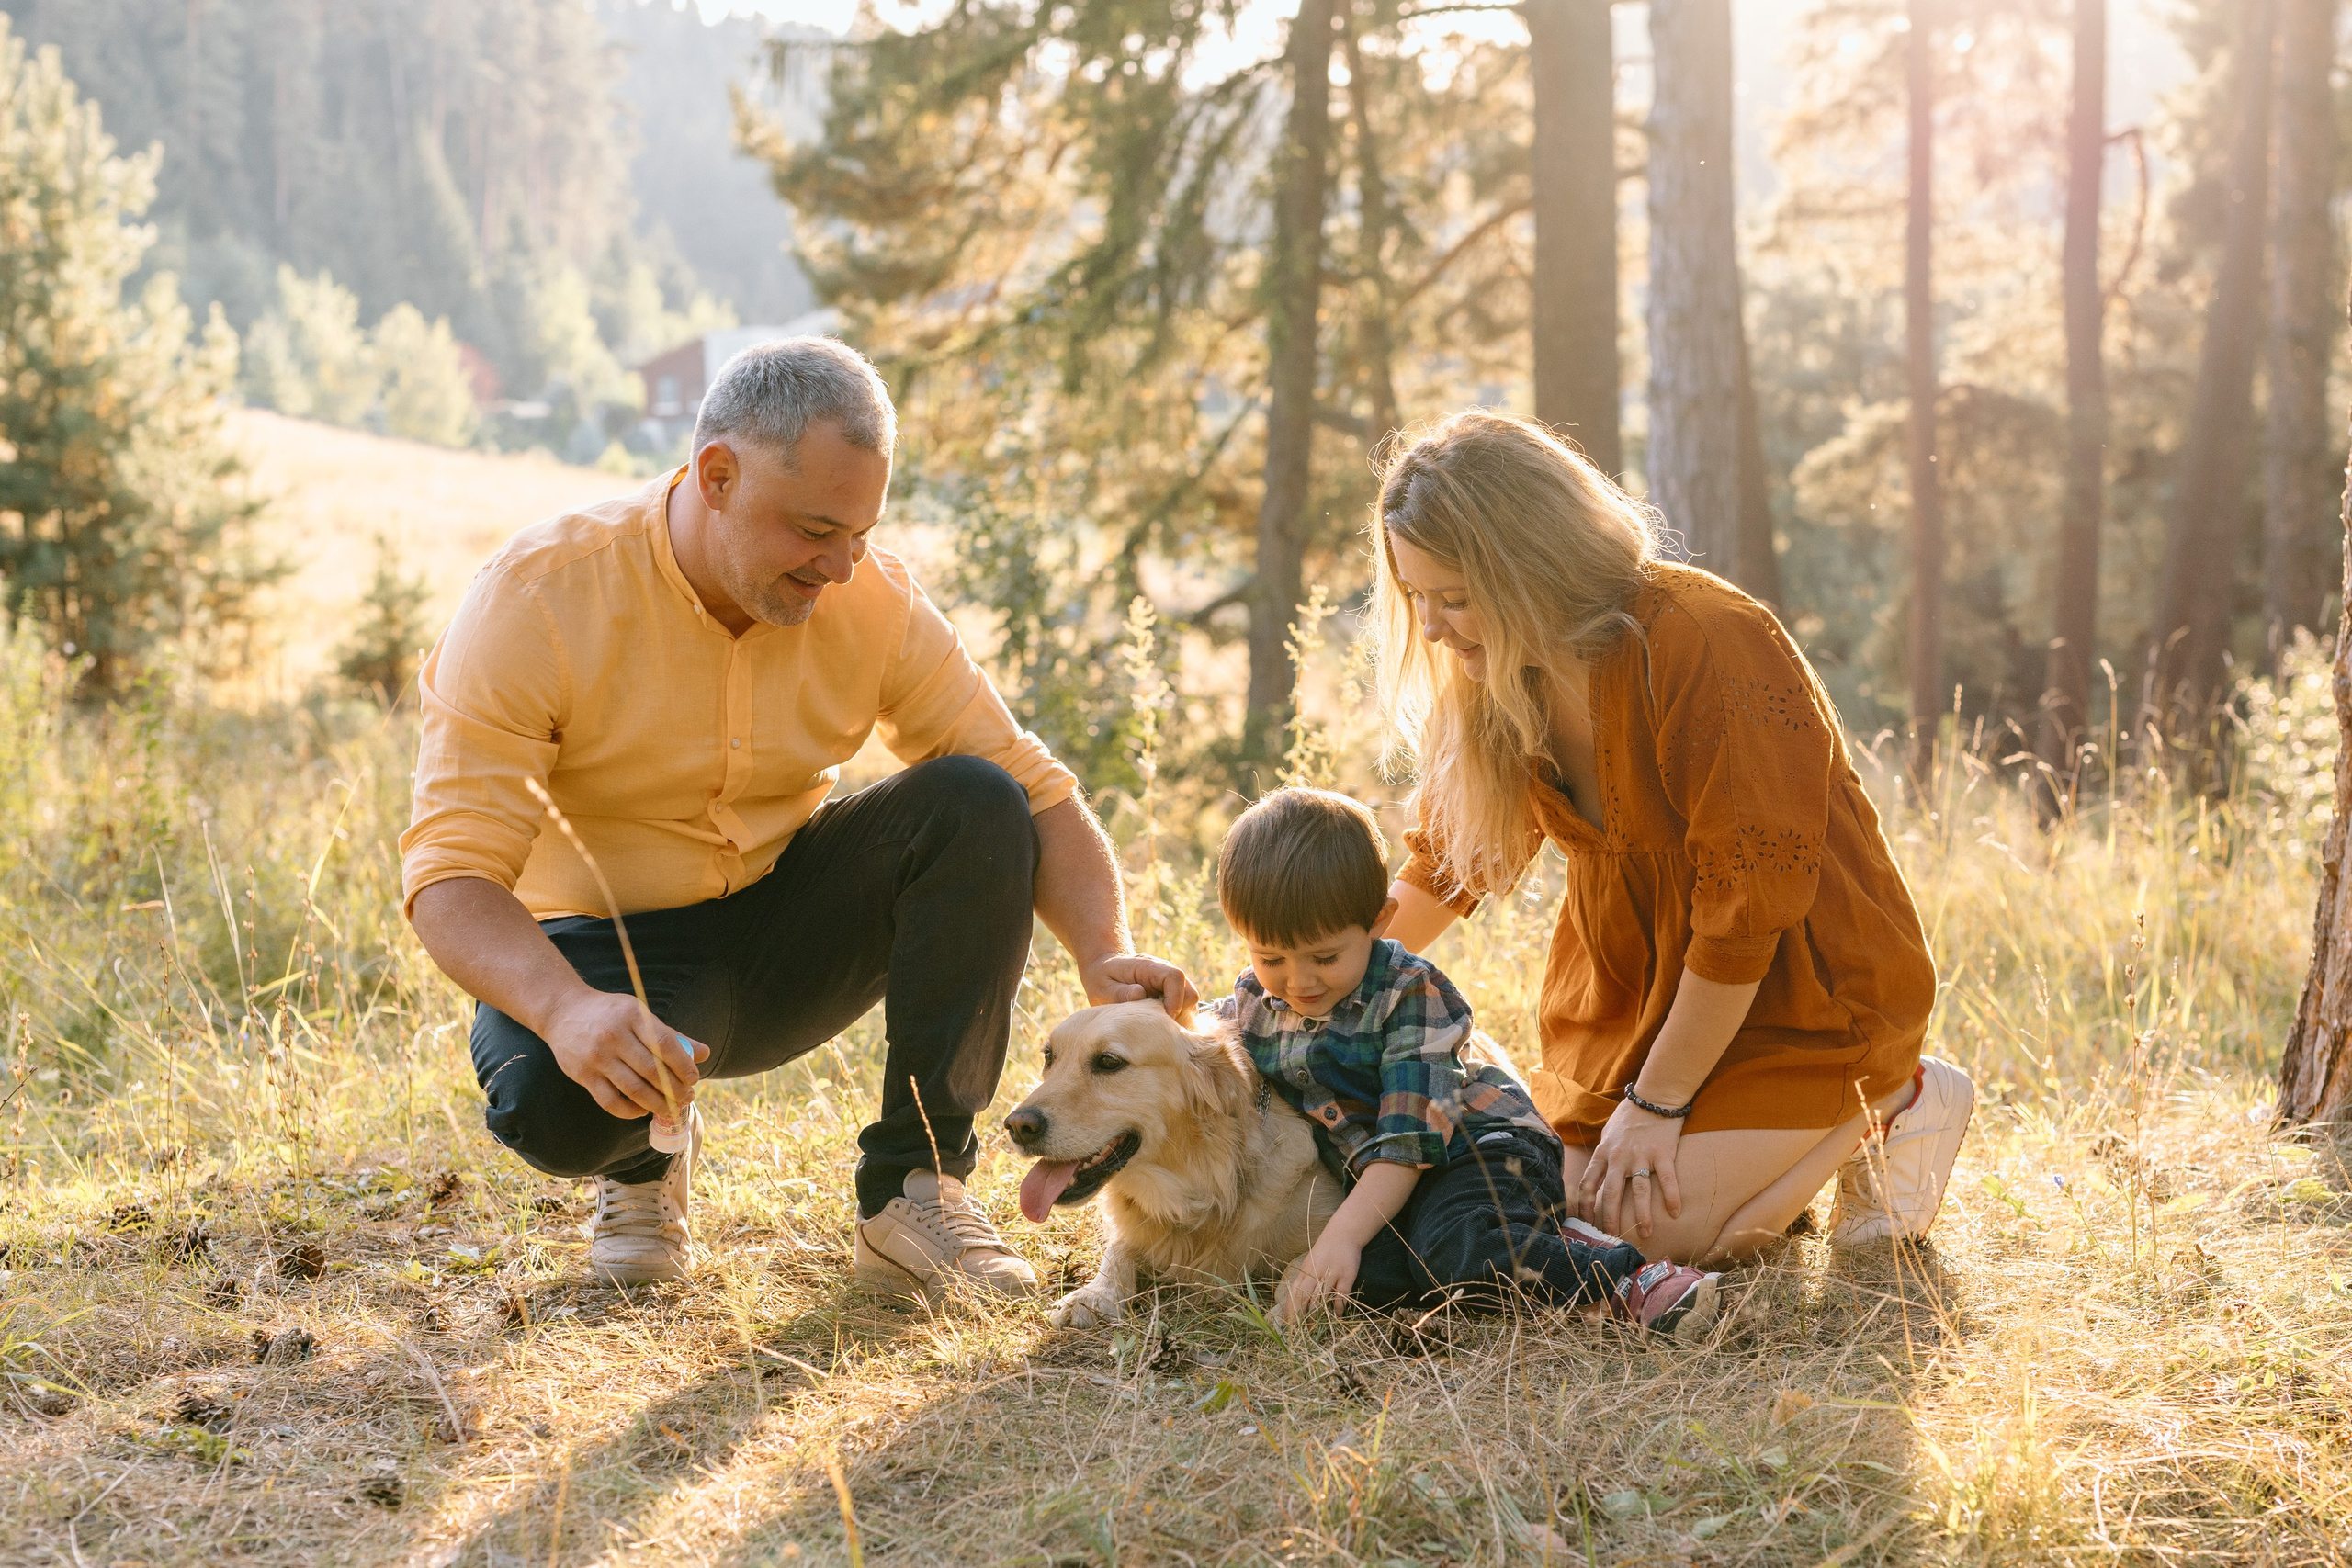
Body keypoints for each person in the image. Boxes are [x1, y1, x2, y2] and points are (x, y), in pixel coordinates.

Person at [400, 337, 1191, 1292]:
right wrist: (567, 1010)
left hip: (785, 931)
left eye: (860, 534)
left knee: (981, 801)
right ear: (718, 475)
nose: (840, 567)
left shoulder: (875, 602)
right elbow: (450, 879)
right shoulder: (537, 598)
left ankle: (916, 1193)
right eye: (816, 530)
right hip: (607, 957)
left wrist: (1104, 953)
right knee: (553, 1110)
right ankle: (639, 1166)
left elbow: (1039, 793)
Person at [1369, 411, 1970, 1265]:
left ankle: (1898, 1098)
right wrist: (1288, 987)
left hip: (1799, 994)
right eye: (1415, 597)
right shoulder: (1500, 672)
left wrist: (1657, 1106)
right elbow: (1448, 866)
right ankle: (1767, 1162)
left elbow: (1745, 914)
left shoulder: (1704, 637)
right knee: (1555, 1203)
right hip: (1637, 1006)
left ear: (1531, 568)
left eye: (1455, 598)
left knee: (1645, 1236)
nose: (1429, 628)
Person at [1207, 787, 1722, 1339]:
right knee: (1368, 1283)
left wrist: (1343, 1235)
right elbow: (1199, 1038)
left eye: (1325, 957)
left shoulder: (1409, 993)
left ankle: (1625, 1276)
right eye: (1270, 958)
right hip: (1389, 1185)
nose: (1299, 981)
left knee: (1456, 1251)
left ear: (1380, 920)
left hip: (1477, 1151)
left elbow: (1408, 1143)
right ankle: (1525, 1251)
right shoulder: (1256, 1004)